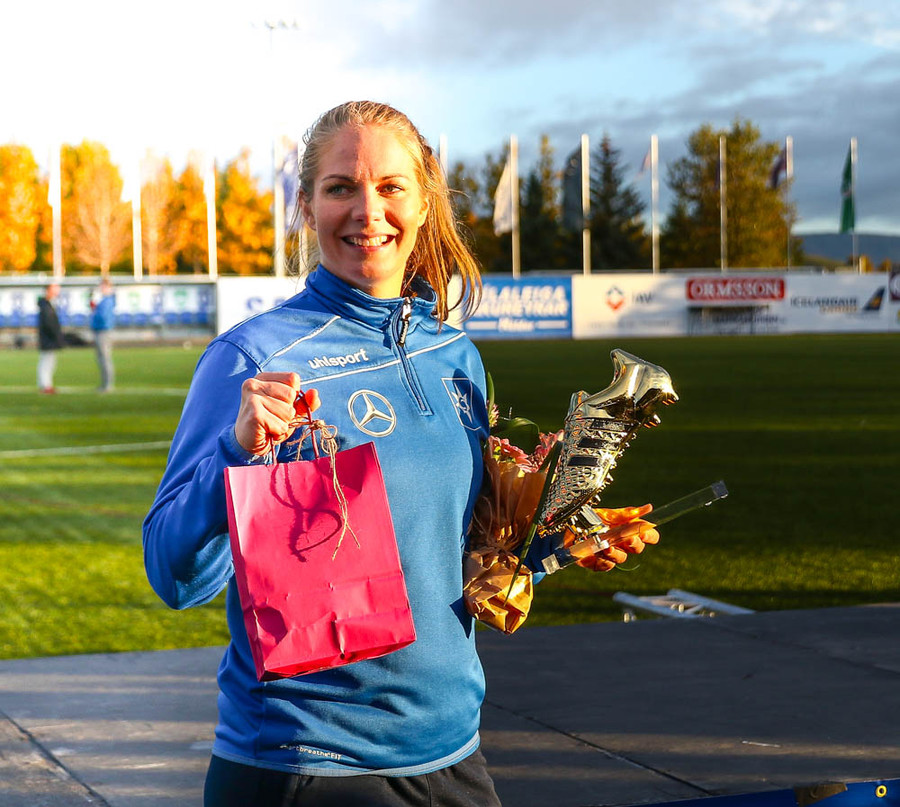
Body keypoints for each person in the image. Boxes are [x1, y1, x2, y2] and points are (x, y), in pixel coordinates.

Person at [143, 101, 659, 807]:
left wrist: (558, 543)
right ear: (306, 206)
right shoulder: (254, 359)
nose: (368, 211)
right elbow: (174, 576)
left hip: (453, 749)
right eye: (340, 187)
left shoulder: (456, 356)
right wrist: (237, 454)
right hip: (307, 763)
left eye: (390, 186)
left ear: (423, 203)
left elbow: (458, 551)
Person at [36, 283, 64, 394]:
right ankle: (45, 385)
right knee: (46, 362)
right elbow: (49, 324)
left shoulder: (47, 304)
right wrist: (56, 336)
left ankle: (46, 384)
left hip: (49, 338)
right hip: (48, 339)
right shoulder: (45, 305)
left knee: (49, 362)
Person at [90, 277, 116, 392]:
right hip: (100, 330)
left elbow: (103, 317)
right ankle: (105, 384)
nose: (101, 288)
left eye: (103, 286)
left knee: (105, 358)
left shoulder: (107, 300)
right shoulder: (103, 300)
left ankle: (108, 384)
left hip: (103, 331)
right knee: (101, 358)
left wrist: (95, 313)